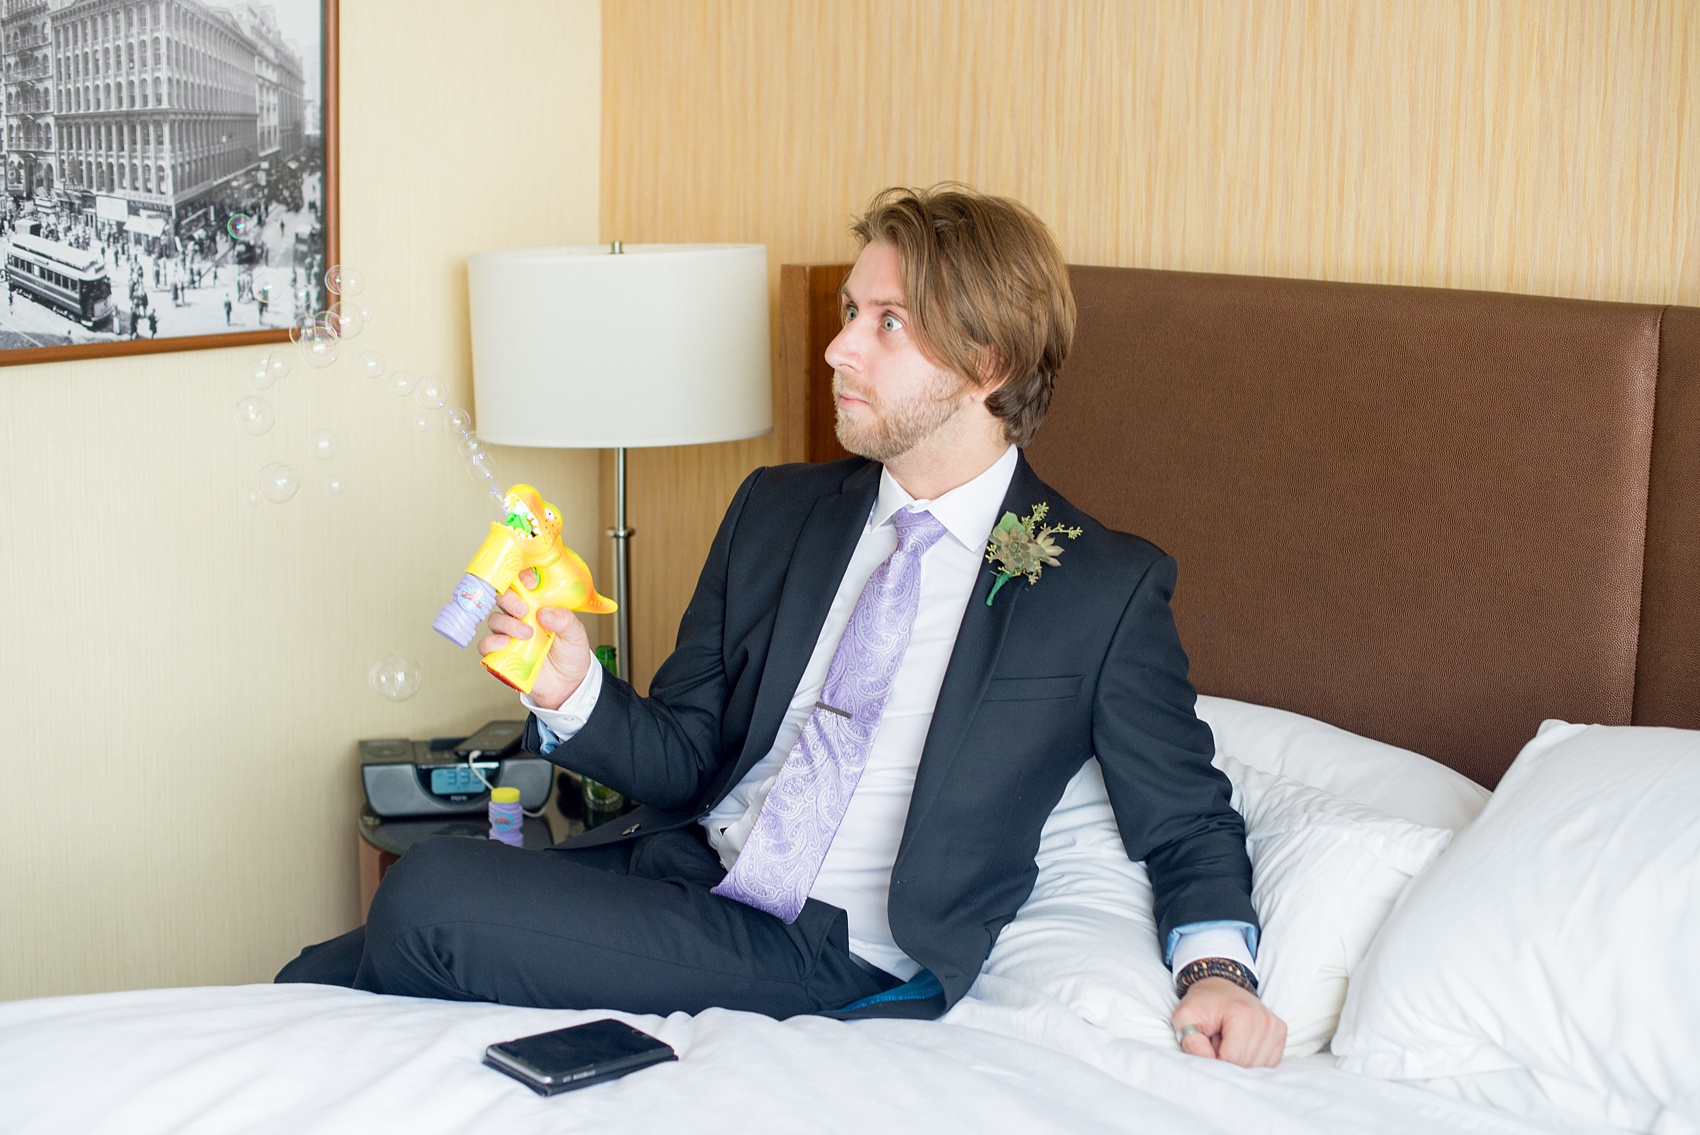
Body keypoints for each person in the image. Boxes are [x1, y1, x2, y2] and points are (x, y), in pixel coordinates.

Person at [279, 186, 1285, 1066]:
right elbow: (683, 758)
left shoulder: (1095, 585)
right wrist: (569, 689)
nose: (836, 345)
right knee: (310, 972)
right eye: (850, 310)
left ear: (987, 361)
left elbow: (1186, 817)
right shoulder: (775, 510)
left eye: (886, 322)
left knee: (433, 894)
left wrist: (1216, 973)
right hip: (679, 877)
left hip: (829, 946)